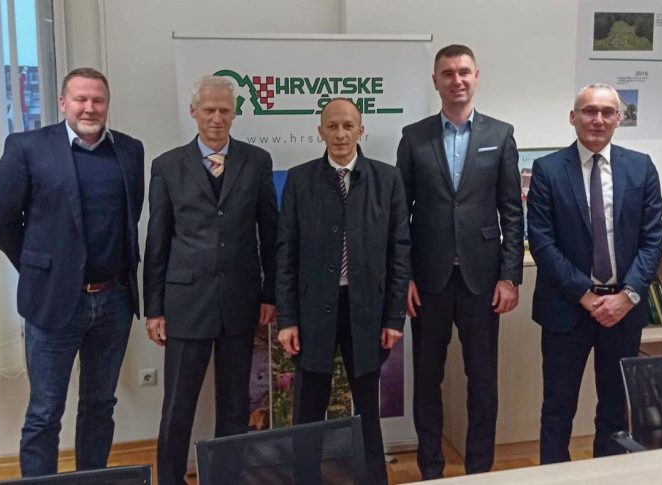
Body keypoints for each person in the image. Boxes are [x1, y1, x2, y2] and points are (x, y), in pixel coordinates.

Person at [0, 67, 144, 476]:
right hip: (53, 301)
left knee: (100, 406)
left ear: (107, 104)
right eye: (80, 99)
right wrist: (38, 266)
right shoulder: (27, 147)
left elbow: (129, 217)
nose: (89, 108)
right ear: (62, 103)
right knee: (44, 412)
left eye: (98, 100)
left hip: (114, 300)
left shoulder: (130, 150)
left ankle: (92, 480)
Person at [396, 44, 524, 478]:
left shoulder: (500, 135)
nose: (457, 80)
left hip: (483, 282)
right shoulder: (414, 137)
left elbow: (512, 211)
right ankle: (430, 469)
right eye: (448, 73)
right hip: (428, 280)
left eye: (464, 71)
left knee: (483, 382)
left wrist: (509, 276)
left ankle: (479, 469)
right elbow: (400, 214)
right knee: (426, 381)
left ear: (476, 76)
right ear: (435, 81)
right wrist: (404, 277)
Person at [143, 75, 278, 485]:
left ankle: (226, 477)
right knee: (177, 405)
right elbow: (157, 241)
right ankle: (169, 479)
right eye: (209, 110)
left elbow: (270, 233)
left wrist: (270, 293)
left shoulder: (257, 161)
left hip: (240, 300)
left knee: (235, 405)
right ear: (193, 112)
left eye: (224, 110)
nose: (217, 118)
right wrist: (154, 309)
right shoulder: (167, 166)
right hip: (185, 303)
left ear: (234, 113)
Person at [527, 83, 662, 464]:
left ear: (619, 119)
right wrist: (585, 295)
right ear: (573, 117)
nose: (597, 119)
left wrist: (628, 296)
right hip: (566, 309)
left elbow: (653, 240)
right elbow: (541, 242)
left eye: (607, 112)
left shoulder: (641, 167)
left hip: (623, 311)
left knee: (616, 411)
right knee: (557, 409)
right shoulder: (548, 170)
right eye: (589, 111)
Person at [276, 98, 410, 485]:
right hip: (312, 310)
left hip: (366, 309)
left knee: (366, 407)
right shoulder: (300, 180)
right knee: (308, 408)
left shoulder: (387, 179)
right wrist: (287, 320)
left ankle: (374, 479)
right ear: (320, 131)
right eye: (332, 126)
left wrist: (394, 318)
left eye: (348, 126)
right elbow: (285, 253)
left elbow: (400, 251)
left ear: (360, 130)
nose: (340, 134)